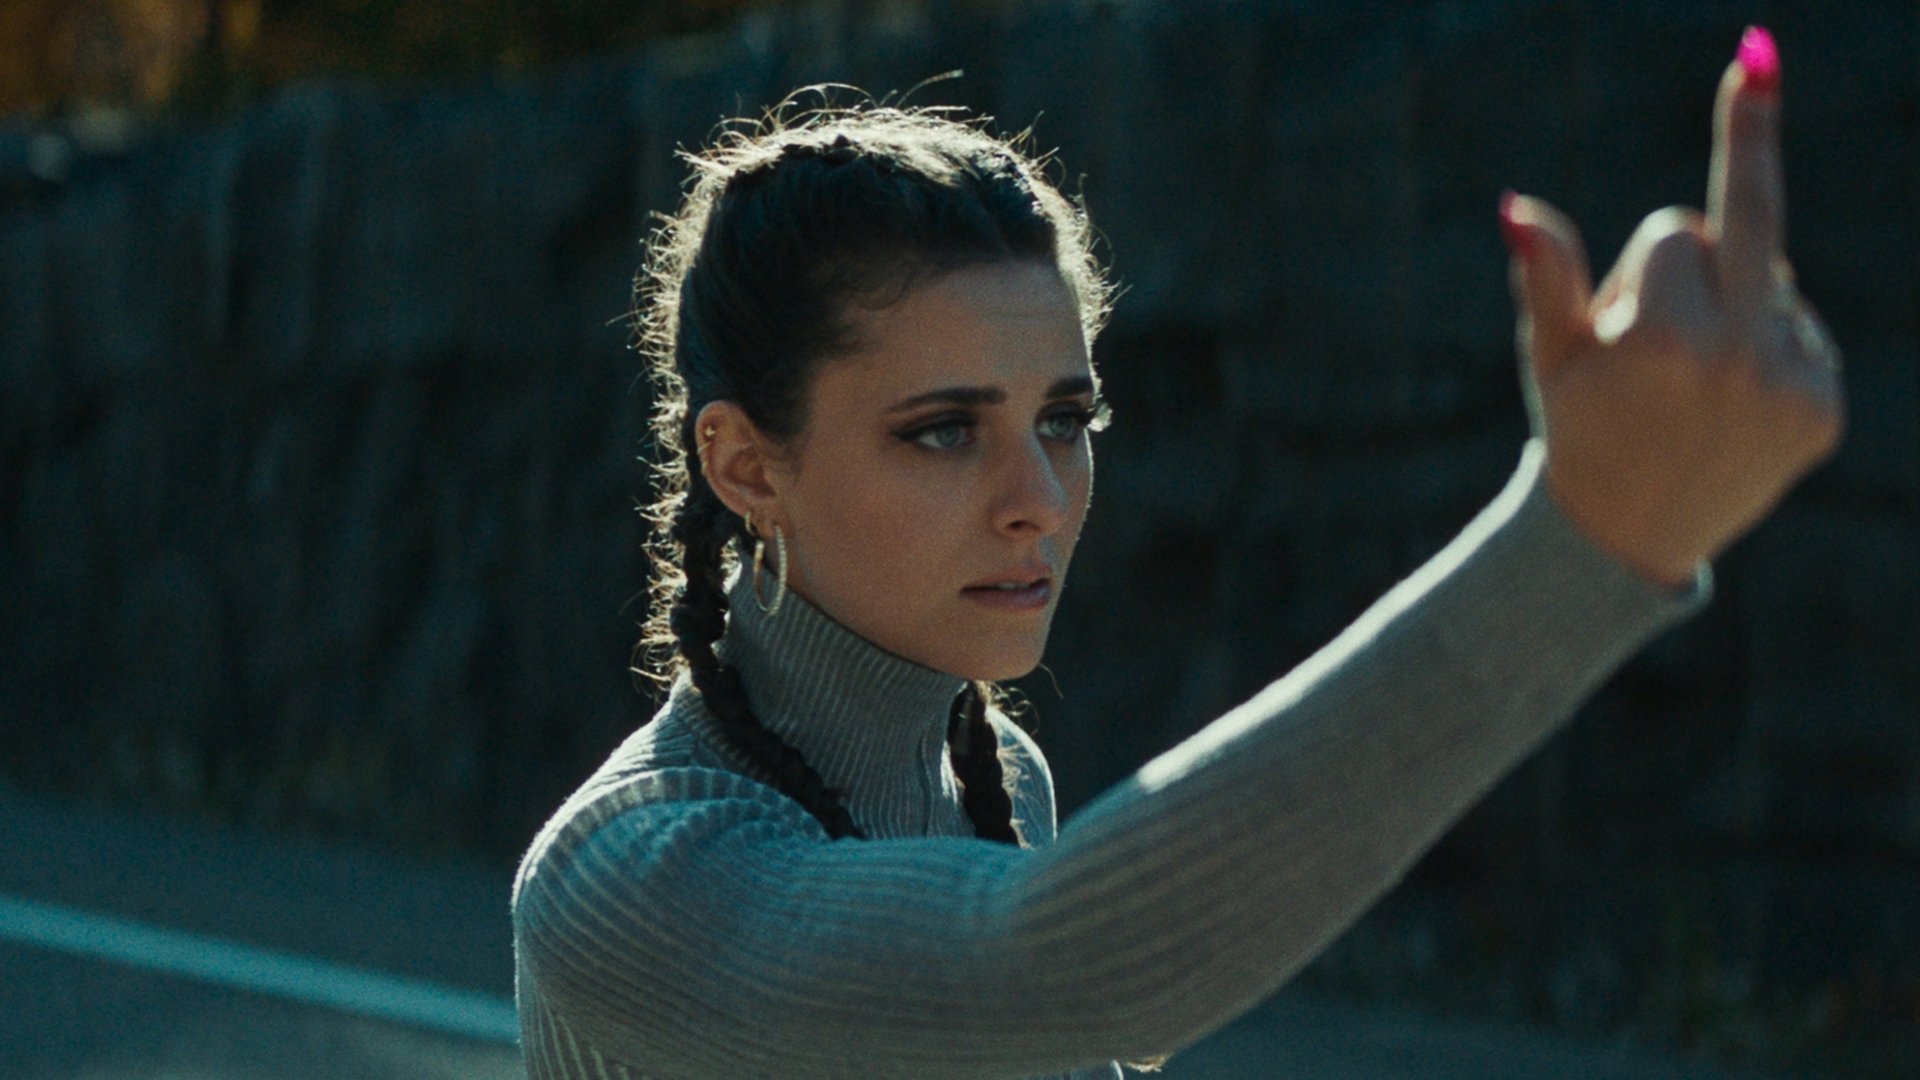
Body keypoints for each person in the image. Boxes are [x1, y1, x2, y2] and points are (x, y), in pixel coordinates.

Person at [511, 26, 1842, 1079]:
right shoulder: (628, 878)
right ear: (747, 466)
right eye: (942, 432)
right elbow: (1062, 965)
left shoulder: (997, 777)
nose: (1039, 499)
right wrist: (1586, 545)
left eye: (1065, 420)